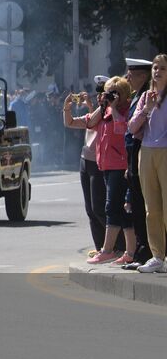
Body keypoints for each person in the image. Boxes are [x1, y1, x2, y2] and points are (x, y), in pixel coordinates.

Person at [70, 77, 138, 265]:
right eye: (108, 92)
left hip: (121, 166)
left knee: (111, 208)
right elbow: (89, 123)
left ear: (124, 94)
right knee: (122, 212)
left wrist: (114, 107)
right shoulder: (105, 110)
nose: (110, 96)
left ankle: (108, 250)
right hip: (107, 165)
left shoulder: (126, 110)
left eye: (114, 92)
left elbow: (122, 129)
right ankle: (129, 252)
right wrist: (102, 105)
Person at [127, 55, 167, 273]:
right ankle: (157, 256)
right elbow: (132, 128)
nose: (157, 72)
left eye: (162, 68)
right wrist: (146, 109)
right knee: (151, 209)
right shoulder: (145, 97)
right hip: (147, 152)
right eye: (155, 68)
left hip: (166, 151)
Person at [64, 78, 109, 256]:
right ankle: (100, 248)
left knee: (99, 208)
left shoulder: (108, 113)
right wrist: (67, 106)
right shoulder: (95, 112)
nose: (99, 97)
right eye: (98, 94)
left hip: (100, 163)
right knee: (90, 210)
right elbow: (70, 122)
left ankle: (113, 245)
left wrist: (92, 107)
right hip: (86, 161)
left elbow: (94, 122)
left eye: (102, 94)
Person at [123, 57, 154, 266]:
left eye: (132, 74)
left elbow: (136, 128)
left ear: (143, 76)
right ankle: (141, 251)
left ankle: (147, 252)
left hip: (142, 152)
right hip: (133, 154)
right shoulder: (138, 96)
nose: (127, 78)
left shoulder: (146, 96)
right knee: (136, 204)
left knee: (143, 205)